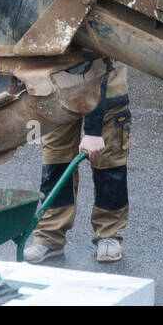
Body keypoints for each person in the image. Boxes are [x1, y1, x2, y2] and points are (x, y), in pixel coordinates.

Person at [23, 60, 132, 263]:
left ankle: (108, 234)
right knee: (56, 162)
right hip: (58, 89)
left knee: (108, 165)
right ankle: (49, 237)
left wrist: (93, 132)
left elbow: (99, 62)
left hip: (106, 88)